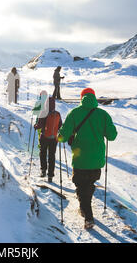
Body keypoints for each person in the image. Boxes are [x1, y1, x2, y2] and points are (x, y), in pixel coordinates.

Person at [57, 88, 117, 229]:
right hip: (97, 160)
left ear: (81, 98)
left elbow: (62, 137)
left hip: (80, 159)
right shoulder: (103, 114)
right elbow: (112, 136)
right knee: (88, 185)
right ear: (94, 98)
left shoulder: (74, 113)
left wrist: (60, 135)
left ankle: (88, 217)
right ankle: (85, 208)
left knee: (81, 186)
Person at [34, 96, 62, 183]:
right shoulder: (57, 113)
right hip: (54, 138)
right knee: (52, 156)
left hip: (44, 137)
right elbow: (60, 125)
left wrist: (35, 126)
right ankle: (50, 175)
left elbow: (39, 125)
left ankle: (43, 171)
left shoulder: (43, 113)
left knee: (43, 153)